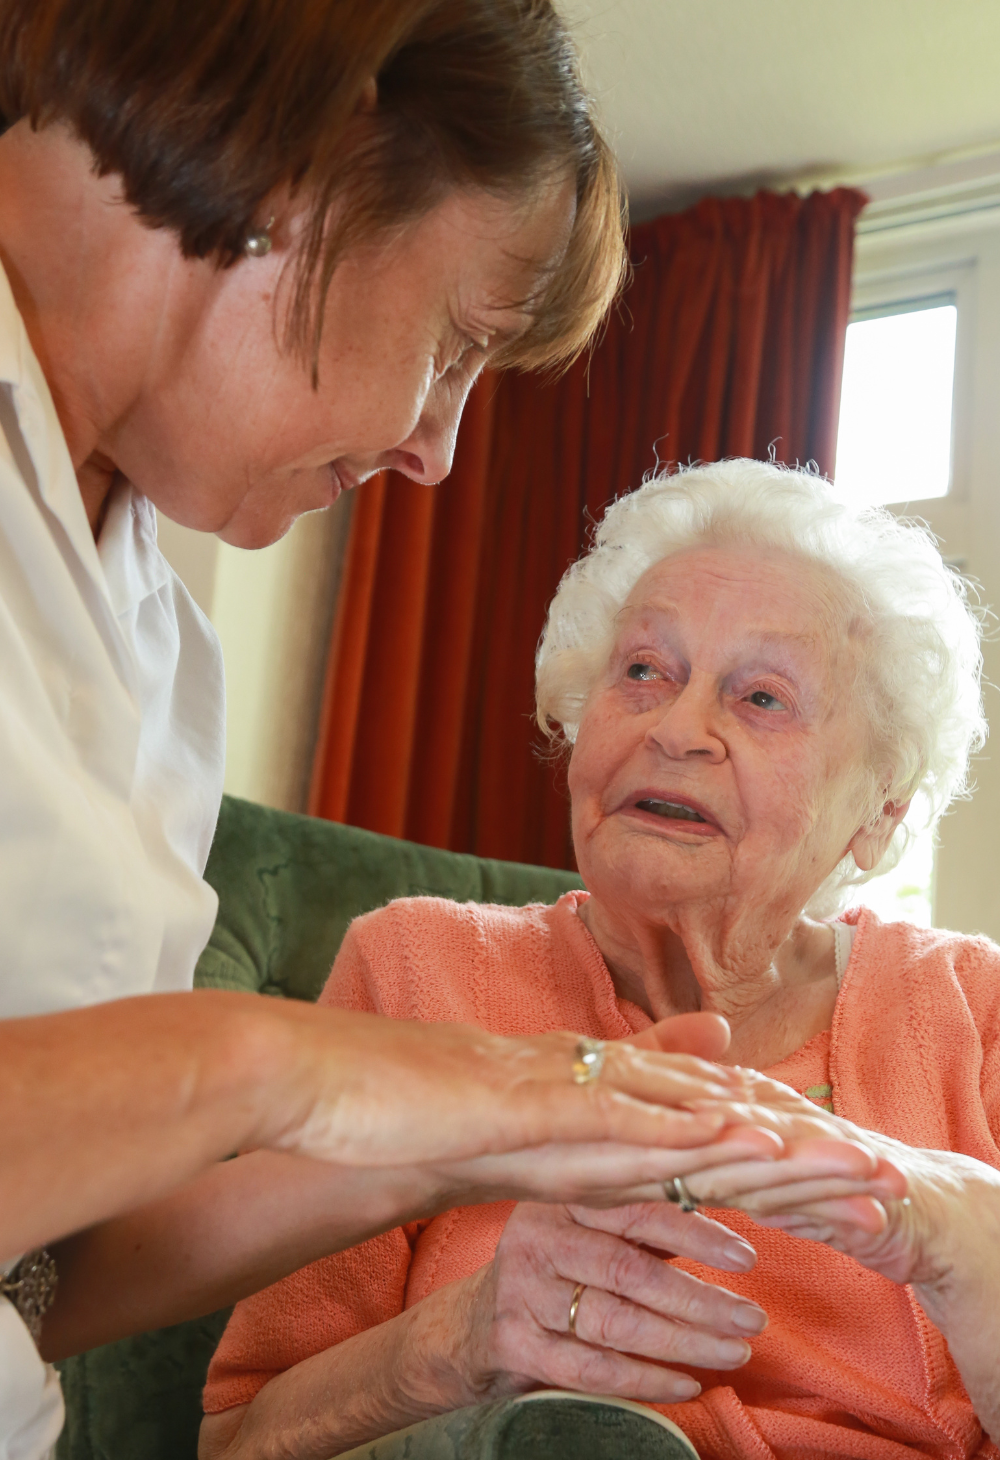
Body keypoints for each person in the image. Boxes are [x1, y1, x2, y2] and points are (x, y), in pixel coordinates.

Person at [0, 4, 866, 1457]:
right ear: (307, 168)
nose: (439, 451)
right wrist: (321, 1067)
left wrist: (469, 1136)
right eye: (459, 344)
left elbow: (45, 1273)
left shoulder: (162, 643)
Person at [200, 459, 1000, 1460]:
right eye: (641, 671)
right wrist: (465, 1336)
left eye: (758, 696)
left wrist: (964, 1248)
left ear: (879, 808)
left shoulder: (973, 1011)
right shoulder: (419, 972)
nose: (674, 727)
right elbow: (237, 1439)